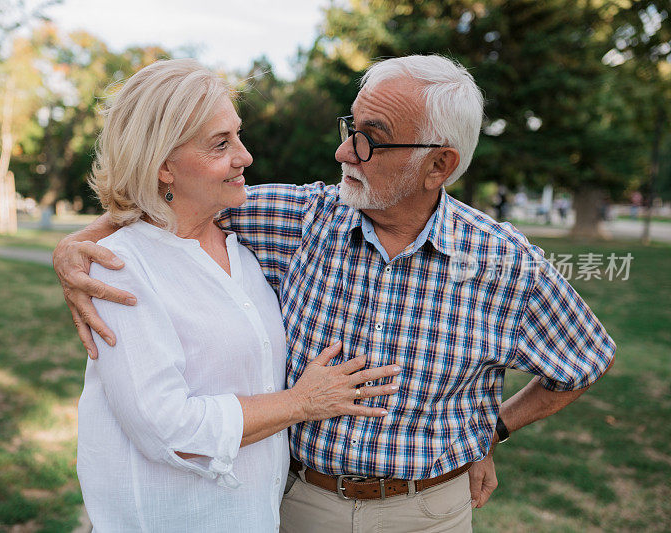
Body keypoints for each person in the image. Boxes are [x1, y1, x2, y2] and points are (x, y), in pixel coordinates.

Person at [56, 55, 616, 532]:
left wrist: (491, 428)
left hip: (428, 513)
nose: (345, 152)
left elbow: (583, 361)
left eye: (371, 140)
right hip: (297, 504)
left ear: (438, 165)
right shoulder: (299, 218)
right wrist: (75, 245)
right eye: (351, 128)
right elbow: (171, 202)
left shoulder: (502, 260)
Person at [74, 59, 402, 532]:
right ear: (163, 165)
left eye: (238, 136)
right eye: (220, 144)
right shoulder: (121, 267)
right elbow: (168, 428)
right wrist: (303, 402)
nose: (245, 156)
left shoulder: (241, 250)